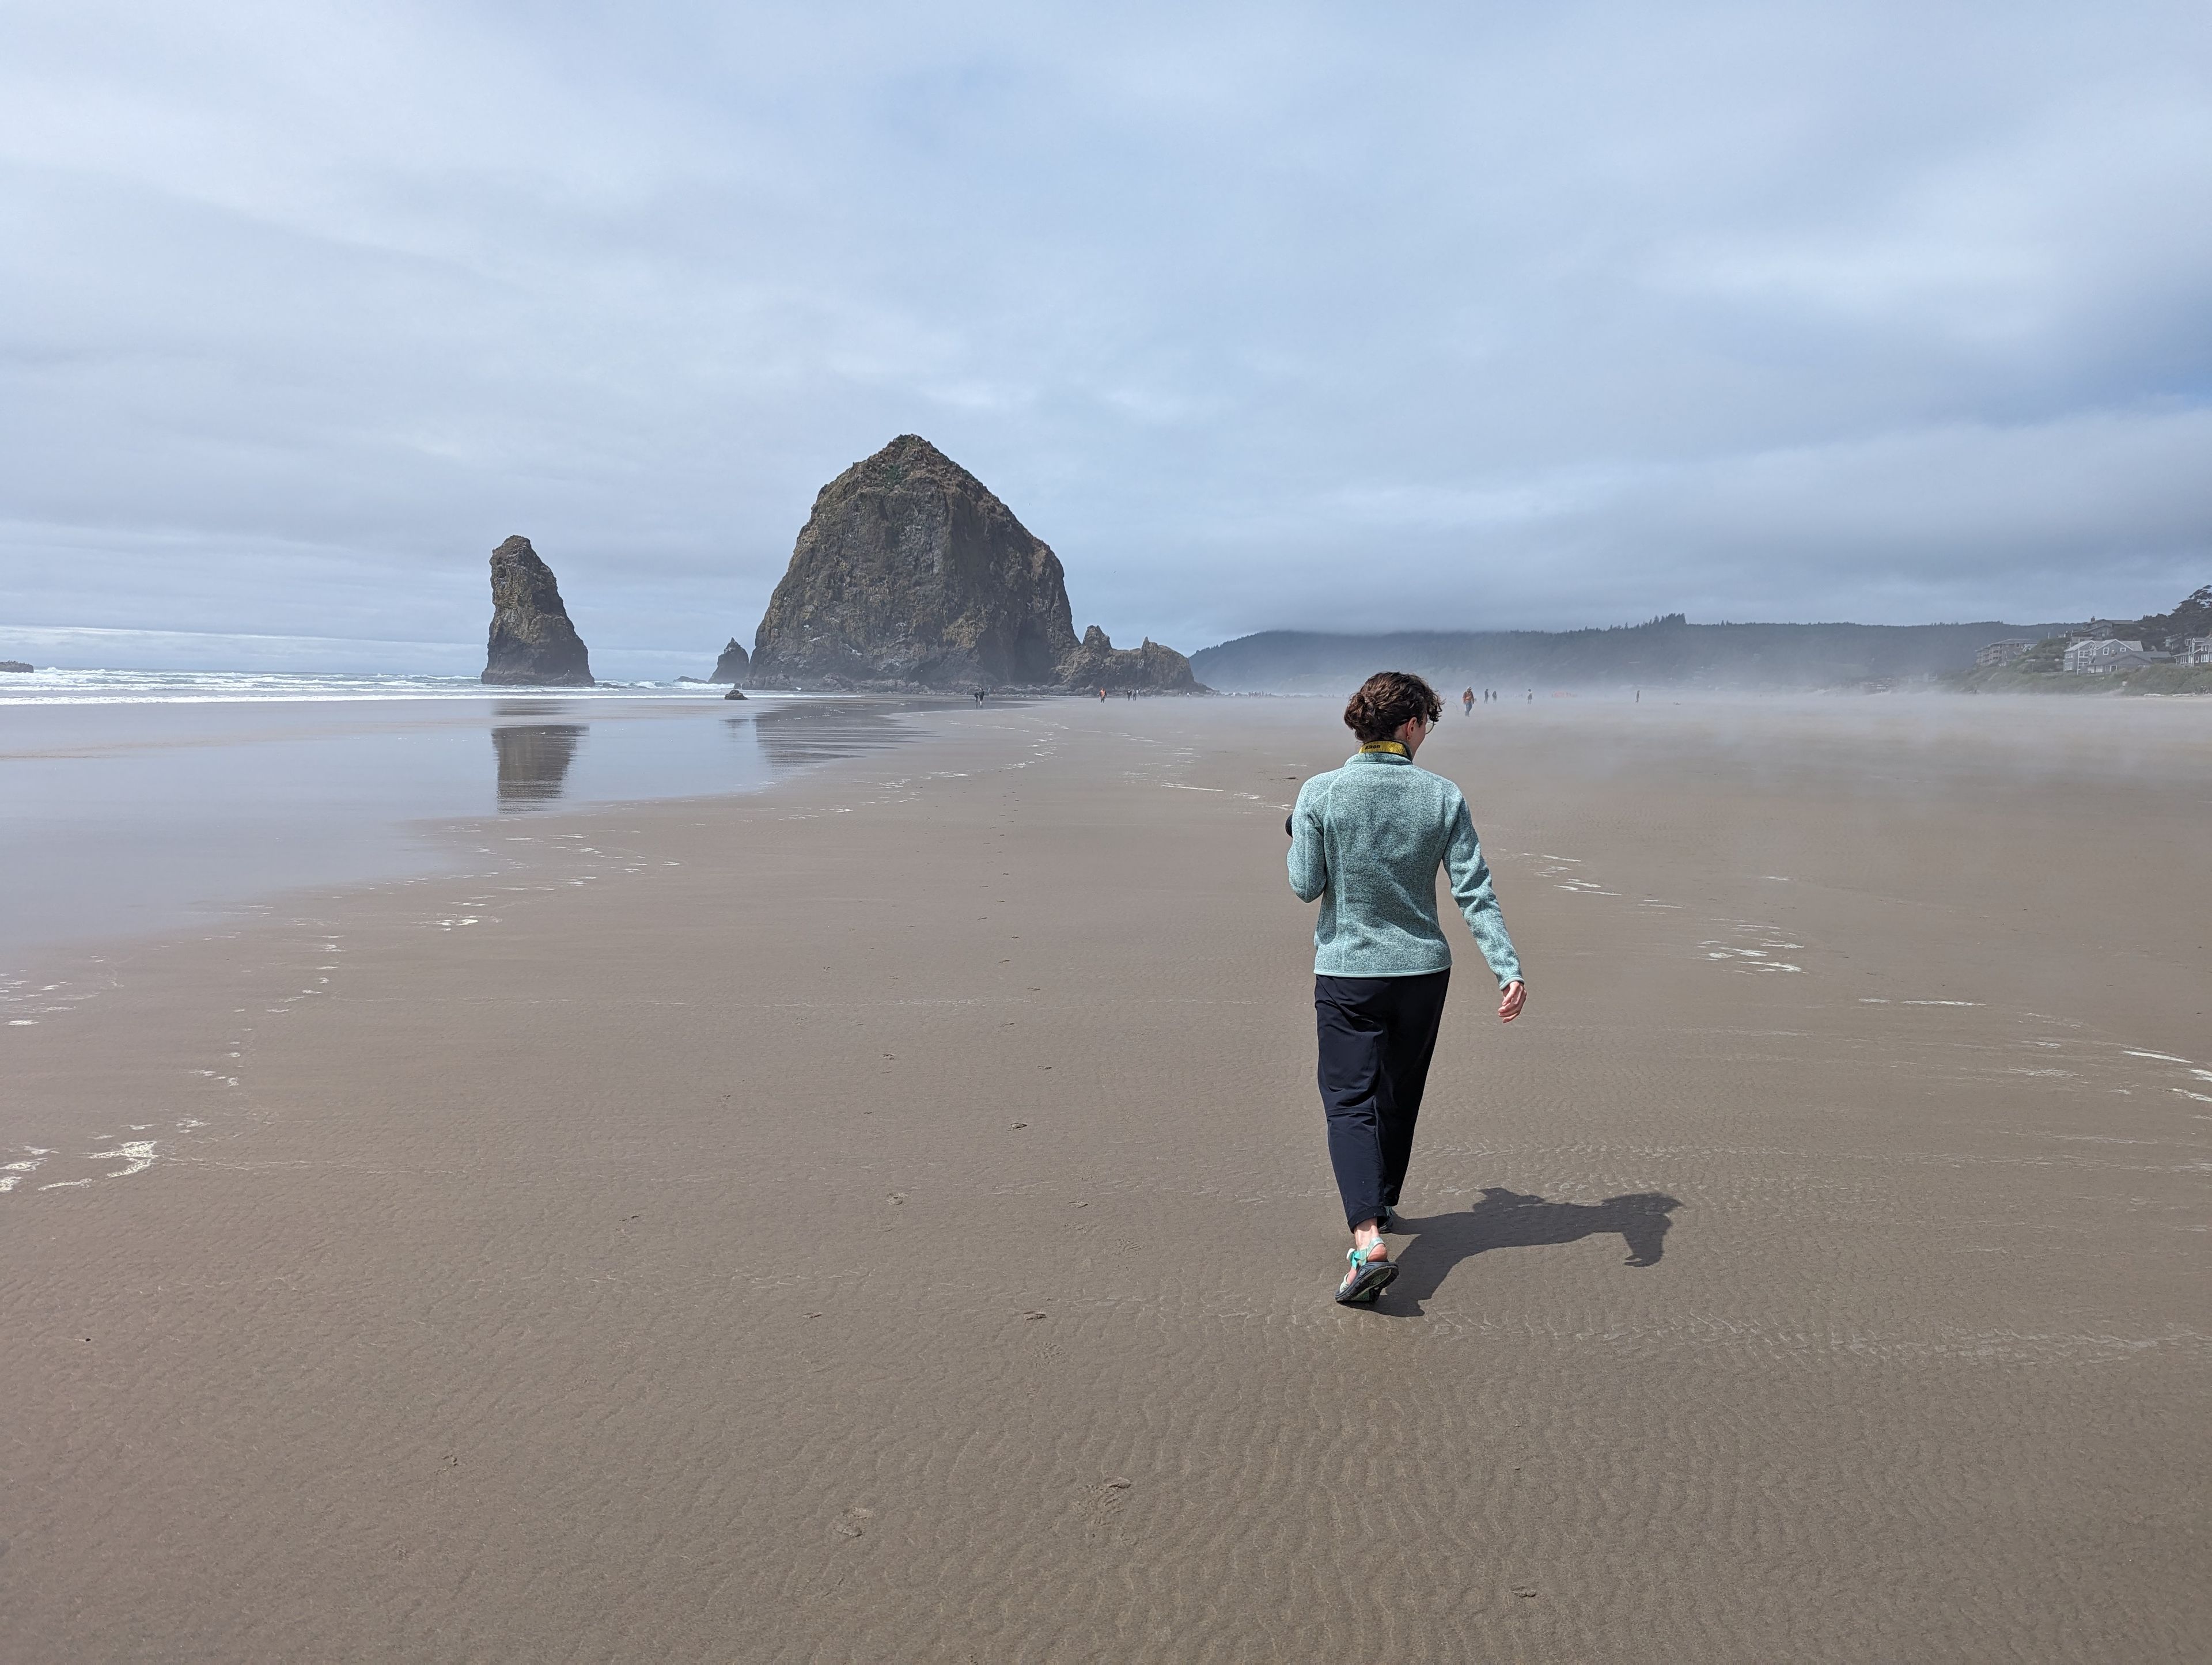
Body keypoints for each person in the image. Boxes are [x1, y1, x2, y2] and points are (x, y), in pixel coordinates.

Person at [1286, 671, 1526, 1306]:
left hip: (1348, 971)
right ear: (1412, 724)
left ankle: (1368, 1239)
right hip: (1423, 972)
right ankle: (1382, 1200)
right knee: (1398, 1092)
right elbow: (1474, 889)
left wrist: (1299, 827)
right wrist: (1508, 966)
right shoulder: (1443, 796)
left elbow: (1304, 883)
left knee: (1348, 1099)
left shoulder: (1321, 792)